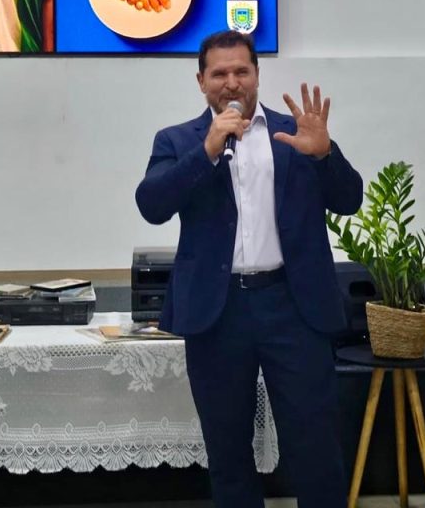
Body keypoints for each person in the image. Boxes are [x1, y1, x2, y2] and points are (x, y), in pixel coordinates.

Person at [135, 30, 363, 508]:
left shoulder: (294, 133)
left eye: (242, 71)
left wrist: (324, 155)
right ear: (201, 81)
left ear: (257, 74)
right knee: (228, 451)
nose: (231, 82)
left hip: (293, 307)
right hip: (218, 314)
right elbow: (152, 204)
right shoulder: (178, 141)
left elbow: (349, 199)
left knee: (315, 445)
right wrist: (208, 151)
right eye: (219, 73)